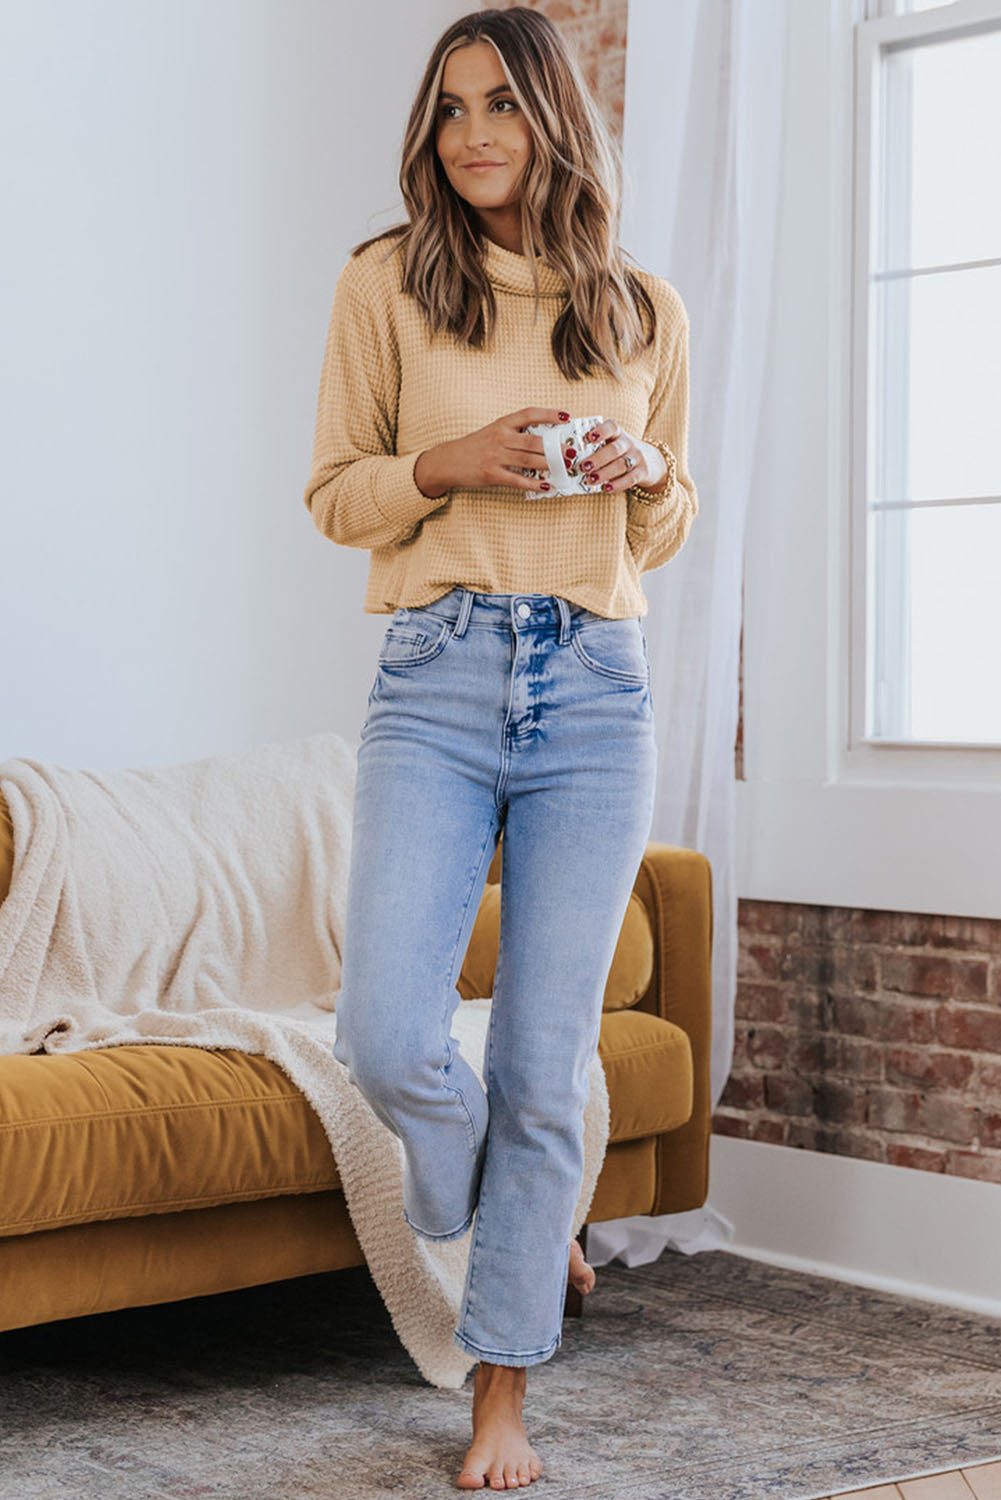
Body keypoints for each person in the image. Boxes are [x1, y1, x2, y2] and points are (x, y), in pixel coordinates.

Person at [302, 6, 697, 1489]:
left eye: (502, 105)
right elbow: (334, 494)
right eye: (451, 107)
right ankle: (500, 1194)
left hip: (594, 685)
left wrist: (643, 469)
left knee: (543, 1066)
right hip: (437, 676)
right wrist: (448, 464)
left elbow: (662, 528)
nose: (472, 134)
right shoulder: (387, 283)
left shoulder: (639, 307)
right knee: (386, 1034)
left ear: (554, 121)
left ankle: (500, 1399)